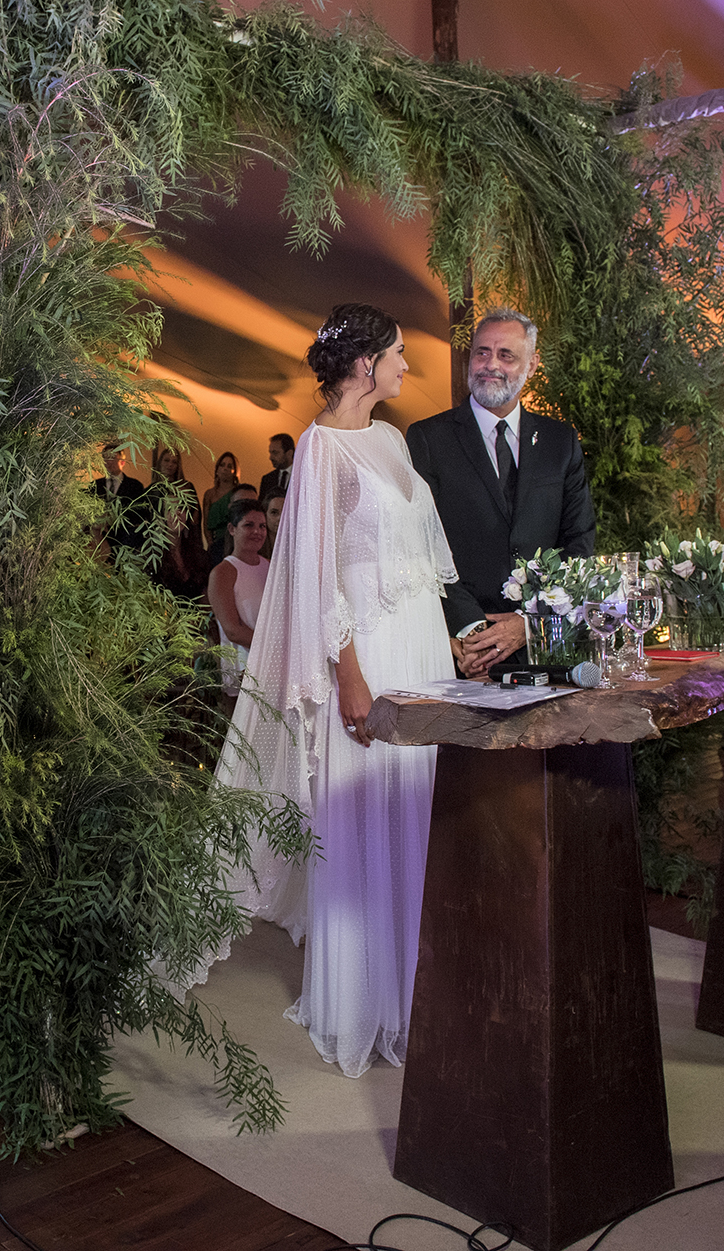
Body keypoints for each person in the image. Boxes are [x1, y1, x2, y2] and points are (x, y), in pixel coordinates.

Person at [202, 302, 457, 1079]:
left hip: (418, 645)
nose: (406, 368)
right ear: (362, 366)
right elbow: (314, 576)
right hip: (369, 653)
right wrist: (348, 674)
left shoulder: (392, 439)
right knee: (368, 808)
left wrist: (447, 643)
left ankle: (426, 992)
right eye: (398, 356)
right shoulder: (318, 451)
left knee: (419, 808)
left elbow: (417, 553)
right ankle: (361, 1001)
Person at [404, 307, 596, 677]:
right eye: (481, 352)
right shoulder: (428, 438)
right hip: (464, 654)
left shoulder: (561, 441)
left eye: (506, 355)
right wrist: (473, 630)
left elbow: (579, 541)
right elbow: (419, 544)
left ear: (533, 364)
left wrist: (529, 622)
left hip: (546, 648)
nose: (490, 364)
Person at [207, 497, 269, 696]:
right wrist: (273, 646)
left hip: (272, 663)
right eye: (248, 525)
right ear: (232, 529)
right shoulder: (223, 572)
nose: (257, 532)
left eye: (262, 526)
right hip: (244, 667)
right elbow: (232, 630)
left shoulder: (271, 566)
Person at [149, 448, 209, 600]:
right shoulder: (150, 491)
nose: (170, 465)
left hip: (187, 542)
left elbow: (195, 521)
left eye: (174, 462)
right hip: (158, 543)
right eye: (166, 460)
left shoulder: (187, 488)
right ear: (160, 462)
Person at [86, 444, 147, 559]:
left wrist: (112, 517)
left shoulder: (135, 486)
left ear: (122, 461)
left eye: (112, 457)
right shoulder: (94, 486)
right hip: (98, 541)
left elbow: (137, 513)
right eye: (105, 458)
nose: (109, 462)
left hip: (124, 541)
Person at [201, 451, 239, 549]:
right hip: (215, 543)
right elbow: (206, 523)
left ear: (235, 471)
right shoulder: (209, 494)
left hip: (235, 542)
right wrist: (211, 544)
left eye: (230, 466)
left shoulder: (238, 492)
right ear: (217, 469)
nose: (225, 469)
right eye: (222, 465)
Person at [258, 433, 295, 502]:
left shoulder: (302, 477)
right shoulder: (267, 479)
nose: (270, 457)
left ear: (289, 453)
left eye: (275, 453)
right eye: (270, 452)